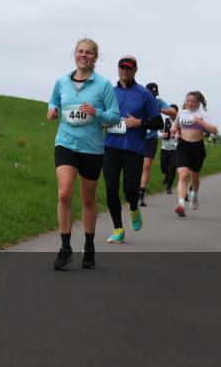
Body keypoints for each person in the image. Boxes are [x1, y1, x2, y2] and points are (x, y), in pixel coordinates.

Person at [46, 38, 121, 270]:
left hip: (92, 148)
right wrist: (52, 110)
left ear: (95, 58)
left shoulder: (103, 85)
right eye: (80, 51)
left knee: (88, 199)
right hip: (66, 143)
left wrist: (96, 112)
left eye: (89, 52)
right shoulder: (62, 82)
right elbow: (53, 101)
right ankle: (65, 247)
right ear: (75, 54)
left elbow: (115, 116)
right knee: (64, 193)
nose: (84, 55)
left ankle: (88, 246)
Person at [101, 56, 164, 243]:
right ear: (118, 69)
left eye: (129, 69)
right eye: (122, 68)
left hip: (134, 149)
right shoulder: (110, 93)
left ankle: (134, 208)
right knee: (111, 186)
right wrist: (103, 122)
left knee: (129, 189)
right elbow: (102, 116)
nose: (125, 72)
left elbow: (159, 122)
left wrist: (140, 122)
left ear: (135, 70)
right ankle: (118, 229)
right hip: (111, 147)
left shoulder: (144, 94)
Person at [171, 91, 218, 217]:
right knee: (183, 175)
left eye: (193, 101)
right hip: (183, 146)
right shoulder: (181, 112)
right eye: (188, 100)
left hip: (197, 147)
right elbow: (175, 126)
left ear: (198, 102)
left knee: (195, 177)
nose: (190, 103)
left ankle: (194, 195)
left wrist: (201, 123)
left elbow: (215, 131)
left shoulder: (203, 114)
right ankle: (181, 204)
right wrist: (173, 129)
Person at [138, 82, 177, 206]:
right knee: (136, 166)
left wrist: (159, 109)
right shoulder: (139, 100)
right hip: (137, 137)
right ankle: (135, 189)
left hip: (152, 138)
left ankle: (141, 194)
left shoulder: (158, 102)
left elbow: (173, 112)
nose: (152, 97)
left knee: (146, 165)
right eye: (150, 94)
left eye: (154, 95)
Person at [160, 104, 180, 194]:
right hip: (165, 147)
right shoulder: (165, 121)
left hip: (176, 149)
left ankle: (169, 187)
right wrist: (162, 135)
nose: (171, 113)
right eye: (169, 111)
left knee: (172, 168)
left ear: (176, 112)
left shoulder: (179, 122)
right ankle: (166, 175)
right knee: (163, 168)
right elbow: (159, 131)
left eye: (173, 111)